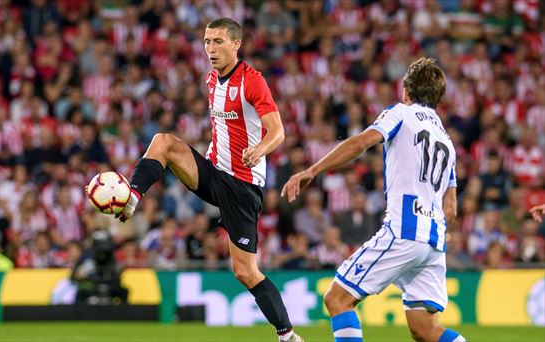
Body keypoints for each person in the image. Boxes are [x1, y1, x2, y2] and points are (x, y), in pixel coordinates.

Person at [115, 18, 302, 342]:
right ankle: (132, 196)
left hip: (242, 185)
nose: (210, 49)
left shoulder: (252, 82)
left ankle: (287, 336)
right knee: (164, 142)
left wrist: (259, 149)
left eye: (217, 42)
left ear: (236, 44)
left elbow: (279, 131)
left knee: (245, 272)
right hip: (215, 172)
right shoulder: (212, 80)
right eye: (206, 42)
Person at [282, 57, 466, 342]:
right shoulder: (447, 140)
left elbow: (360, 143)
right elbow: (451, 209)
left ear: (406, 90)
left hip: (405, 229)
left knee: (337, 299)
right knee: (425, 330)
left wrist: (313, 170)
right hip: (434, 241)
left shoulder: (401, 113)